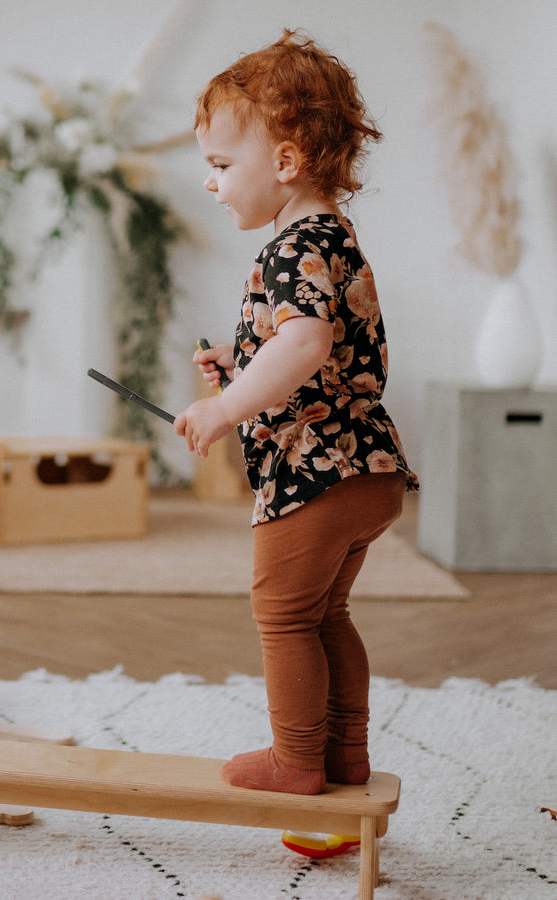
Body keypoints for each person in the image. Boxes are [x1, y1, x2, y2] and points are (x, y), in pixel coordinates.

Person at [174, 29, 419, 795]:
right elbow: (308, 347)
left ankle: (297, 761)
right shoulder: (331, 237)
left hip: (316, 472)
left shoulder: (288, 249)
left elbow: (305, 345)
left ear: (284, 161)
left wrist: (225, 408)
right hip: (367, 467)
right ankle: (345, 755)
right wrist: (239, 367)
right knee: (325, 616)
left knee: (283, 618)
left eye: (220, 165)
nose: (211, 183)